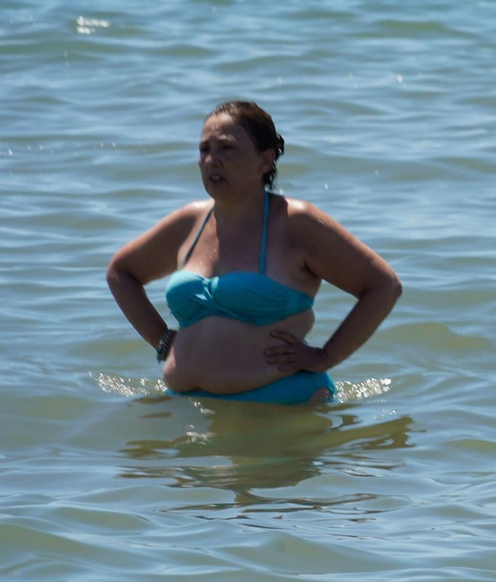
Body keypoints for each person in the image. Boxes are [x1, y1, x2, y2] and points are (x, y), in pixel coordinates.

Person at [107, 101, 402, 404]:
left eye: (227, 148)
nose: (211, 160)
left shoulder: (294, 222)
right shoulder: (189, 221)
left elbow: (383, 286)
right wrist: (163, 339)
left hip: (284, 410)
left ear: (266, 160)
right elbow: (121, 273)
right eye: (204, 149)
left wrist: (327, 356)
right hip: (191, 415)